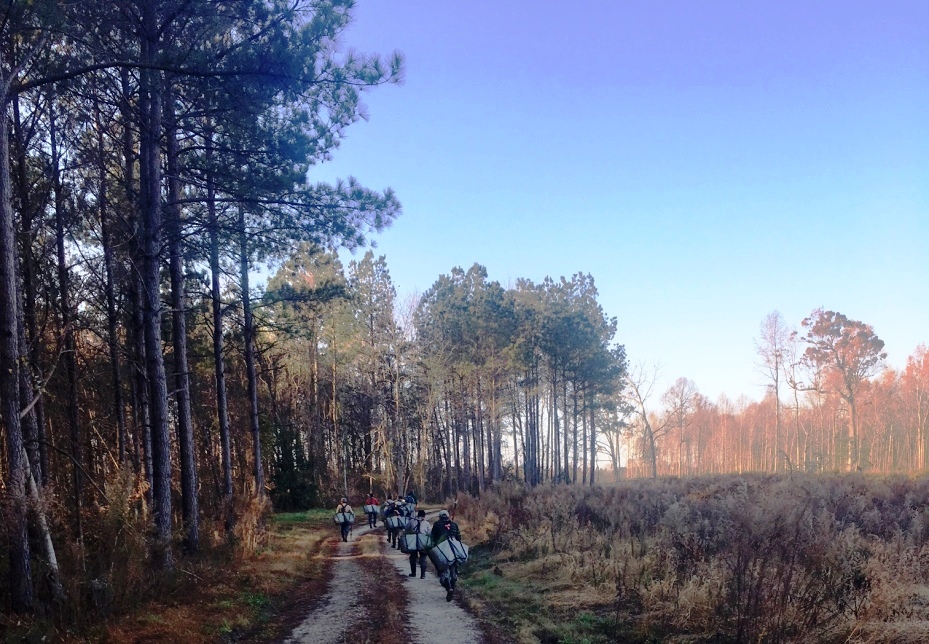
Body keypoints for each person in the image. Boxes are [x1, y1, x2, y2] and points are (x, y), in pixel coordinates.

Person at [431, 509, 462, 601]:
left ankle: (449, 588)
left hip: (442, 551)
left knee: (443, 572)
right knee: (453, 573)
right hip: (454, 551)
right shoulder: (454, 525)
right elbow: (459, 538)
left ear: (440, 517)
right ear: (448, 516)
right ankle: (452, 588)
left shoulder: (436, 524)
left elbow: (433, 537)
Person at [405, 509, 431, 579]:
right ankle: (423, 574)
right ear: (424, 516)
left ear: (417, 515)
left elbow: (406, 529)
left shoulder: (411, 521)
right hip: (422, 541)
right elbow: (429, 533)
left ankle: (413, 573)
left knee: (413, 557)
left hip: (413, 541)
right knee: (423, 557)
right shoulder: (426, 523)